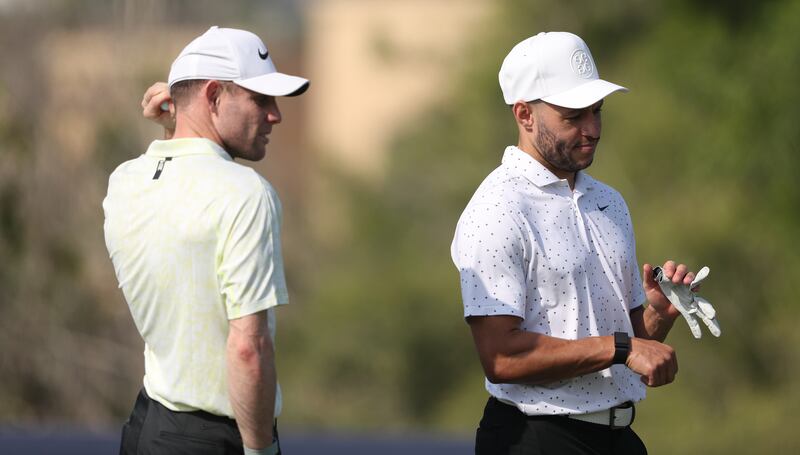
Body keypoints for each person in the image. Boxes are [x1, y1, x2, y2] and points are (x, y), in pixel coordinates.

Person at [451, 31, 696, 455]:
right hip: (535, 439)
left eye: (597, 111)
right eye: (573, 116)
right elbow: (501, 357)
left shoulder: (609, 201)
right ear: (525, 114)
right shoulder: (498, 209)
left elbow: (627, 343)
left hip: (619, 437)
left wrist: (657, 318)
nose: (593, 128)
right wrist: (622, 347)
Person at [103, 26, 309, 455]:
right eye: (260, 98)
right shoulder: (245, 192)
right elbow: (248, 347)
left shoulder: (124, 181)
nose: (276, 115)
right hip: (215, 438)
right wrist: (260, 451)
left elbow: (177, 174)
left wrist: (176, 126)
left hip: (148, 426)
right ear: (213, 96)